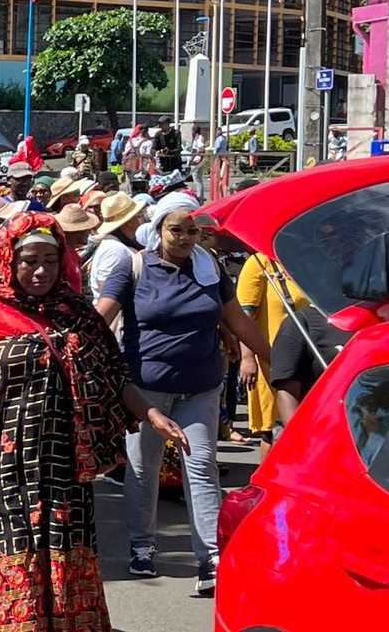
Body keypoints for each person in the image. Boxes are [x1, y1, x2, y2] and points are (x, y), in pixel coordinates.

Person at [0, 211, 188, 632]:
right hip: (1, 467)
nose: (40, 270)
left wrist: (152, 414)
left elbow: (115, 376)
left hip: (65, 462)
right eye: (29, 260)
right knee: (18, 559)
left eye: (49, 259)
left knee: (66, 553)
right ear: (10, 258)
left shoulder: (78, 313)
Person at [95, 191, 271, 595]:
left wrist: (271, 361)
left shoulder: (210, 270)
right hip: (145, 390)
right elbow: (101, 318)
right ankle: (142, 547)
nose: (186, 237)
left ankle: (210, 557)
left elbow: (238, 321)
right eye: (177, 229)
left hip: (201, 387)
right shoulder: (133, 266)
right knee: (143, 470)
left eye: (193, 229)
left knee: (203, 466)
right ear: (158, 230)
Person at [236, 252, 308, 460]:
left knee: (303, 423)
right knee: (274, 429)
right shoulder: (259, 263)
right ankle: (267, 482)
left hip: (308, 359)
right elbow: (244, 316)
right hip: (272, 360)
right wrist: (247, 358)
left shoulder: (306, 261)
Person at [270, 303, 352, 426]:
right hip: (323, 428)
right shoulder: (301, 322)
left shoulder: (379, 318)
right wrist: (297, 438)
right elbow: (287, 391)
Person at [88, 192, 146, 300]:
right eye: (138, 216)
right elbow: (106, 288)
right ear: (129, 222)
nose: (140, 221)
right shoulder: (115, 250)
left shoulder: (116, 244)